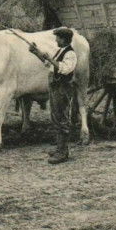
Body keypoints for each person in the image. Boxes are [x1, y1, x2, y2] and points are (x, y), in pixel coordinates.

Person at [29, 27, 77, 164]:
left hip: (62, 89)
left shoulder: (70, 54)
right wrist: (36, 53)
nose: (56, 40)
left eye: (58, 38)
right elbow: (49, 65)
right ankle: (59, 147)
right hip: (55, 87)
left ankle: (62, 152)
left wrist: (50, 59)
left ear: (64, 39)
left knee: (61, 118)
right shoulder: (60, 51)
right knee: (55, 117)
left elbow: (65, 69)